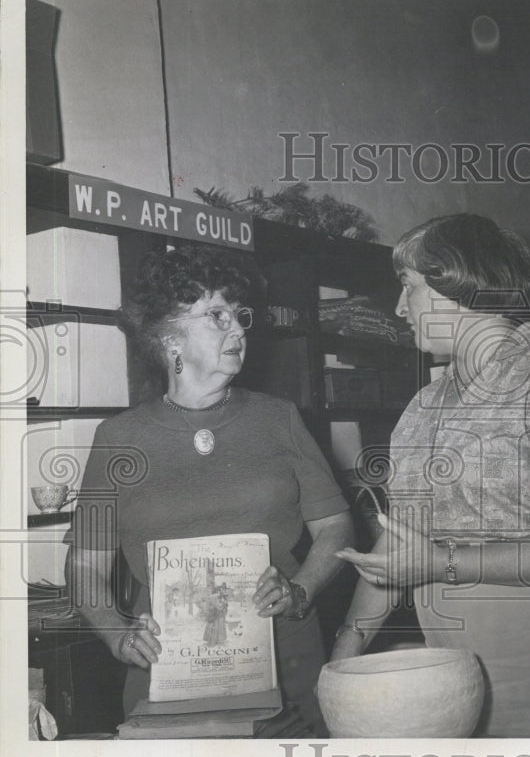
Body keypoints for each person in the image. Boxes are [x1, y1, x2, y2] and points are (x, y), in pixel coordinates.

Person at [332, 214, 530, 737]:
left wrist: (441, 562)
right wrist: (347, 644)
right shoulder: (426, 404)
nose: (398, 307)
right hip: (455, 669)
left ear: (457, 284)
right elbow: (400, 547)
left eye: (409, 287)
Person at [65, 245, 353, 729]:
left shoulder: (278, 419)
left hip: (288, 668)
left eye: (239, 315)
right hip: (168, 672)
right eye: (216, 316)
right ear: (169, 338)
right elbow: (85, 563)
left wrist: (300, 590)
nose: (239, 328)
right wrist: (116, 633)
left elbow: (337, 526)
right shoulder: (118, 439)